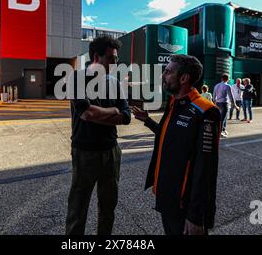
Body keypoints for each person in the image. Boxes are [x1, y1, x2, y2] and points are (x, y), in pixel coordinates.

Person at [131, 55, 221, 235]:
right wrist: (148, 121)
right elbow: (171, 138)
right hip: (168, 197)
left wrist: (195, 215)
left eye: (168, 71)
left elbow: (206, 168)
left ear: (183, 78)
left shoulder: (206, 111)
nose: (163, 75)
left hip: (185, 205)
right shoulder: (174, 103)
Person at [65, 35, 131, 235]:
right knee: (78, 208)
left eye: (116, 58)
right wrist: (113, 111)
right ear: (96, 57)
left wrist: (104, 113)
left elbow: (126, 117)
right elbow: (86, 113)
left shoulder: (115, 82)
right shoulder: (76, 78)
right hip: (84, 152)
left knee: (108, 206)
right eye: (111, 58)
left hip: (111, 151)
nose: (115, 63)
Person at [213, 74, 238, 138]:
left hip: (218, 103)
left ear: (221, 78)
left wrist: (214, 103)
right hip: (224, 103)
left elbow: (214, 96)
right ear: (228, 79)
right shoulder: (227, 86)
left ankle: (223, 130)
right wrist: (235, 105)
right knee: (223, 118)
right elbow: (231, 97)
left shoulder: (216, 85)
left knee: (221, 117)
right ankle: (220, 132)